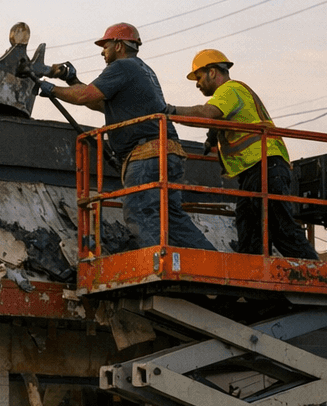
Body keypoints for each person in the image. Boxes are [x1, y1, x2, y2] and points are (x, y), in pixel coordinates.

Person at [42, 23, 216, 251]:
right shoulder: (141, 69)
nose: (102, 51)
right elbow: (100, 103)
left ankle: (155, 264)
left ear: (118, 45)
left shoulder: (122, 67)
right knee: (171, 217)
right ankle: (209, 260)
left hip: (147, 154)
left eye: (105, 46)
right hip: (167, 151)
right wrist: (71, 80)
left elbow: (86, 96)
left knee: (138, 210)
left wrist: (51, 89)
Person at [167, 50, 320, 260]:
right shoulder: (231, 96)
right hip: (256, 172)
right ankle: (255, 288)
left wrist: (170, 111)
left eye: (199, 77)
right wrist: (212, 139)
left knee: (281, 229)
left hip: (265, 167)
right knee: (250, 235)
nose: (197, 84)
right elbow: (220, 121)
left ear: (212, 72)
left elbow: (207, 114)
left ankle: (319, 277)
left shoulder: (230, 90)